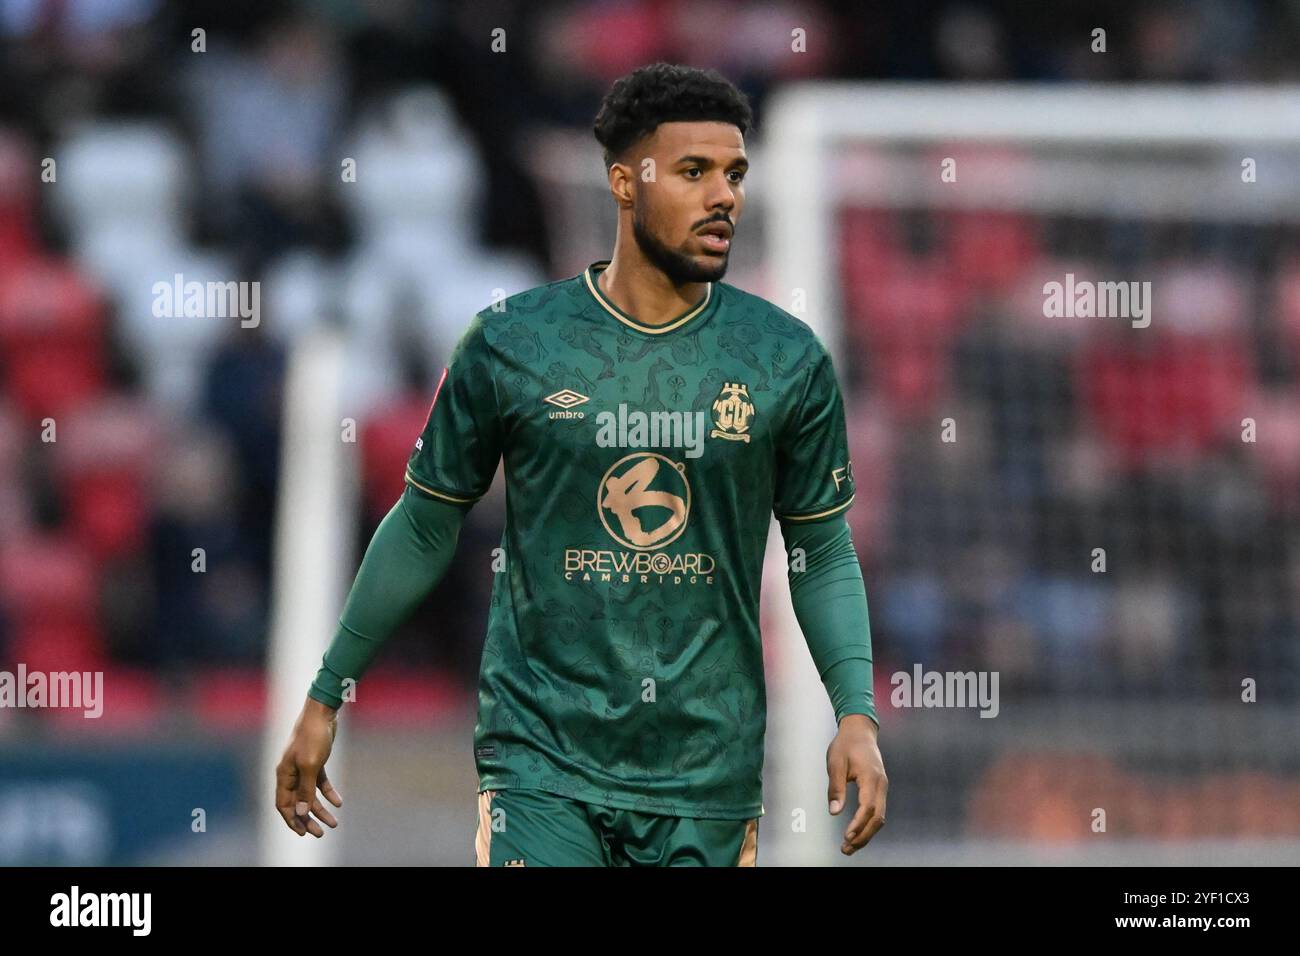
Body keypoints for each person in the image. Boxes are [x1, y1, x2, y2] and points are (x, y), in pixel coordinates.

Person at [275, 62, 887, 866]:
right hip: (542, 763)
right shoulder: (512, 343)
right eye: (694, 171)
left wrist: (856, 712)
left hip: (707, 774)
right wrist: (327, 692)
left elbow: (819, 549)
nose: (725, 196)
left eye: (735, 173)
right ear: (625, 183)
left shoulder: (782, 360)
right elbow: (425, 523)